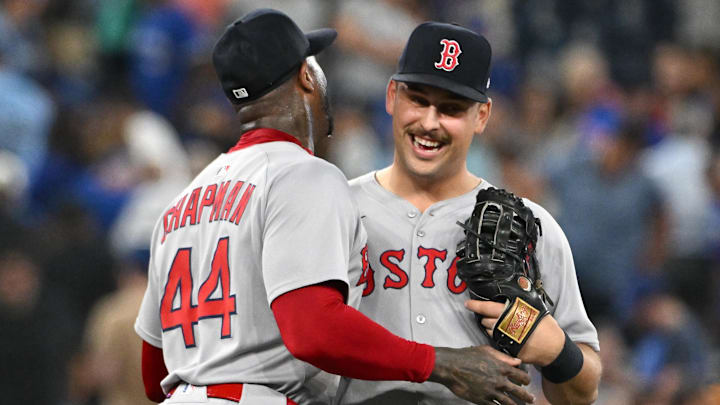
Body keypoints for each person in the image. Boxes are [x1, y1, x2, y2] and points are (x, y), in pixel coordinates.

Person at [135, 9, 535, 405]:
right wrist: (442, 364)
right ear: (306, 77)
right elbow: (313, 331)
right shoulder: (303, 175)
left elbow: (155, 377)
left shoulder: (180, 204)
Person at [342, 22, 602, 404]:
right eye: (418, 100)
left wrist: (558, 352)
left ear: (482, 116)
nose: (430, 123)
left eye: (451, 109)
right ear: (392, 96)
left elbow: (582, 393)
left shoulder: (530, 226)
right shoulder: (337, 208)